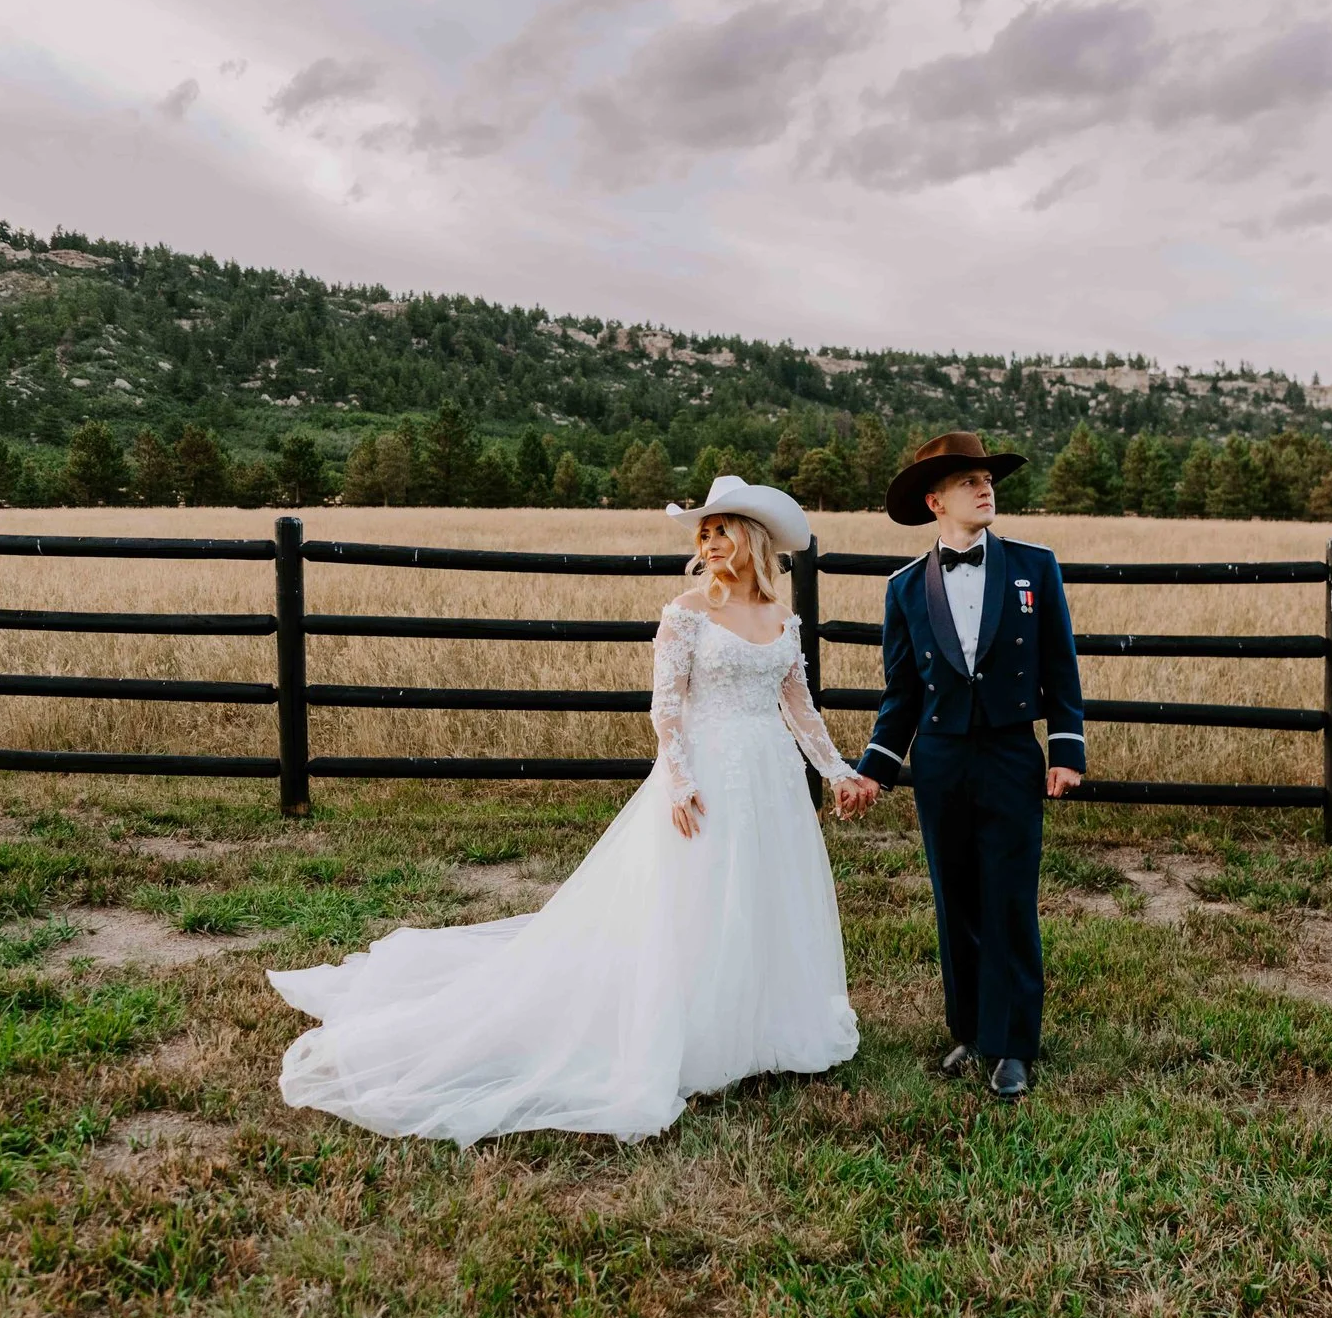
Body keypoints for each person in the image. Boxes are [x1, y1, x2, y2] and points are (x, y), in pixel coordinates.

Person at [270, 475, 879, 1145]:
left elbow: (799, 709)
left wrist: (839, 771)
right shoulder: (685, 613)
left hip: (769, 777)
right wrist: (678, 782)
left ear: (752, 538)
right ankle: (700, 1035)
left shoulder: (780, 618)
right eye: (703, 533)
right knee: (700, 902)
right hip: (707, 775)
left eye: (719, 530)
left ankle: (767, 1028)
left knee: (763, 897)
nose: (707, 543)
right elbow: (666, 706)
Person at [836, 432, 1086, 1102]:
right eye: (968, 480)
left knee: (1008, 898)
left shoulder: (1036, 565)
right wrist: (873, 770)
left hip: (1011, 754)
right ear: (934, 500)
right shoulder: (903, 589)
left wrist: (1066, 751)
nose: (985, 487)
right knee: (956, 900)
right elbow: (902, 695)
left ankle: (1014, 1045)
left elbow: (1061, 666)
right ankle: (970, 1029)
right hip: (941, 760)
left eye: (987, 477)